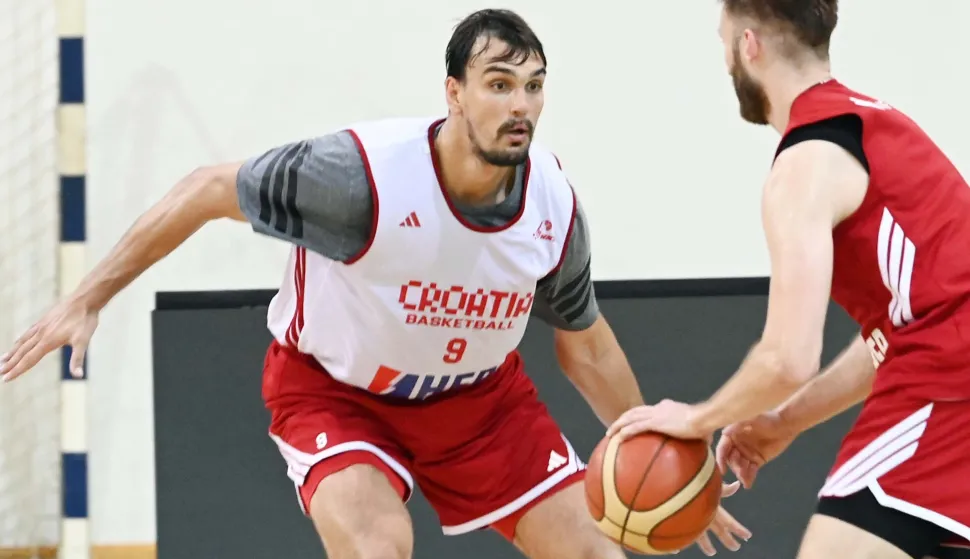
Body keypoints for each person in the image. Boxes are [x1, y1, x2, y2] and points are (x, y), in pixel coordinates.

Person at [0, 9, 750, 558]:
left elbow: (586, 349)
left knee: (596, 553)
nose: (519, 105)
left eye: (533, 86)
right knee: (377, 547)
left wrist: (665, 449)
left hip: (480, 406)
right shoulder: (357, 180)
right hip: (338, 393)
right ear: (454, 92)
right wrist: (88, 295)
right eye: (498, 84)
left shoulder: (552, 206)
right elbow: (204, 188)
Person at [608, 1, 970, 558]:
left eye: (724, 41)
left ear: (748, 45)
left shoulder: (804, 162)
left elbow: (788, 358)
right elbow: (897, 335)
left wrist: (696, 420)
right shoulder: (871, 120)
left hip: (949, 388)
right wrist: (783, 421)